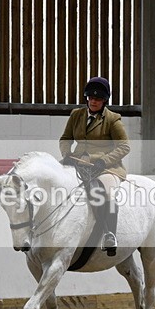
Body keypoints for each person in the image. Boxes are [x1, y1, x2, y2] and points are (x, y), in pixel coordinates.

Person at [59, 76, 130, 256]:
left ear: (105, 100)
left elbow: (124, 146)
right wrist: (66, 154)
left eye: (98, 99)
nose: (93, 101)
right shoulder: (76, 115)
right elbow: (66, 139)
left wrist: (103, 161)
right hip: (78, 162)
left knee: (107, 191)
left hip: (105, 167)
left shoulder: (113, 120)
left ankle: (110, 234)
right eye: (90, 98)